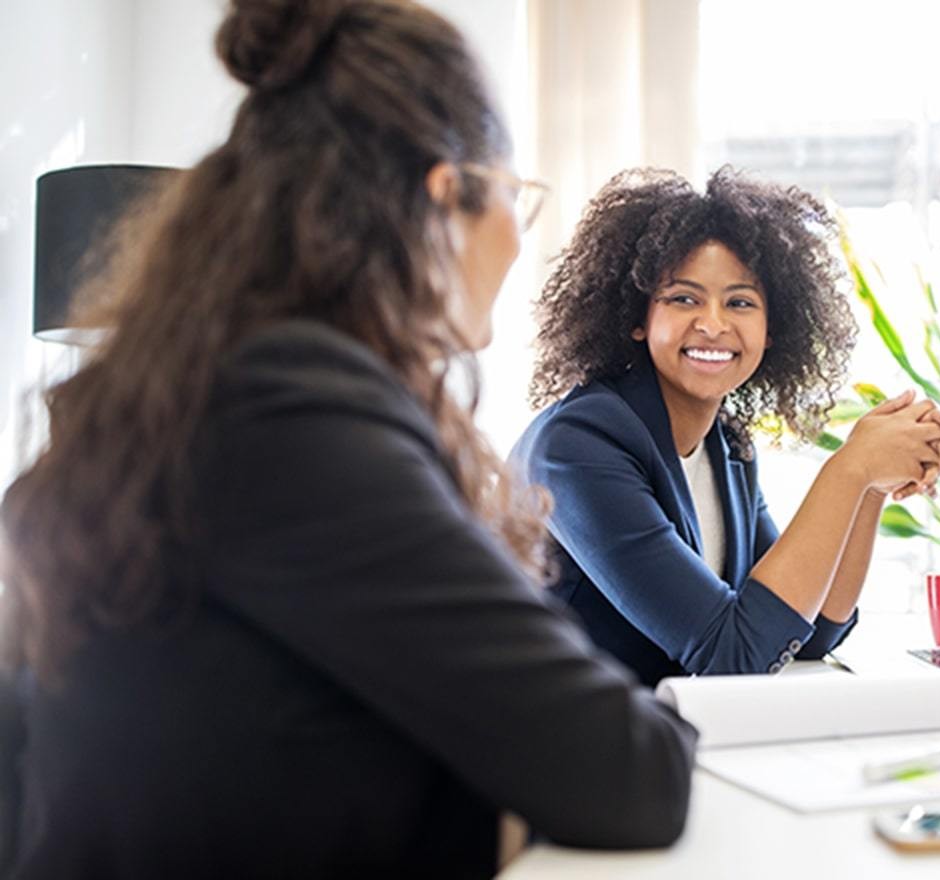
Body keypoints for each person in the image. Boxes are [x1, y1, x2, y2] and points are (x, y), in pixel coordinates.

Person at [0, 1, 696, 877]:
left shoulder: (216, 384)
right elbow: (629, 769)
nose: (520, 235)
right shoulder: (291, 415)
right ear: (448, 197)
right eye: (514, 197)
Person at [513, 168, 940, 687]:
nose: (713, 324)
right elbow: (732, 655)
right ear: (637, 318)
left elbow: (808, 630)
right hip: (553, 750)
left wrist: (870, 487)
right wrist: (850, 466)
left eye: (740, 302)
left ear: (773, 329)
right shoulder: (578, 445)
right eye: (684, 298)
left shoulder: (725, 444)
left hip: (654, 733)